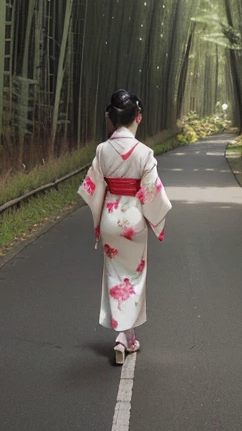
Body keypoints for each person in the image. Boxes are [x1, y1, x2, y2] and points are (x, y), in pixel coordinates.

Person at [78, 89, 172, 364]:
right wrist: (156, 218)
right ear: (137, 118)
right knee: (135, 278)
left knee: (115, 275)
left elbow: (92, 187)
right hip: (133, 219)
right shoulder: (144, 152)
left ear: (112, 117)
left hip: (110, 216)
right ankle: (123, 337)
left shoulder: (102, 150)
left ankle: (125, 335)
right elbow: (152, 192)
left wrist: (101, 214)